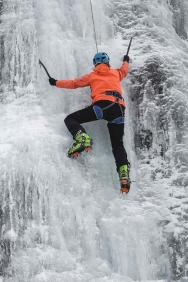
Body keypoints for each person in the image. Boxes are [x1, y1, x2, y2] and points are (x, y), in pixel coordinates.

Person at [48, 52, 131, 193]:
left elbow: (74, 83)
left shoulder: (92, 76)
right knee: (118, 144)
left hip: (102, 106)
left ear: (95, 64)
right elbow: (124, 70)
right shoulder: (116, 73)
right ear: (108, 62)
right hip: (119, 108)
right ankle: (124, 175)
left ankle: (82, 138)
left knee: (70, 119)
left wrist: (56, 82)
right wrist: (126, 60)